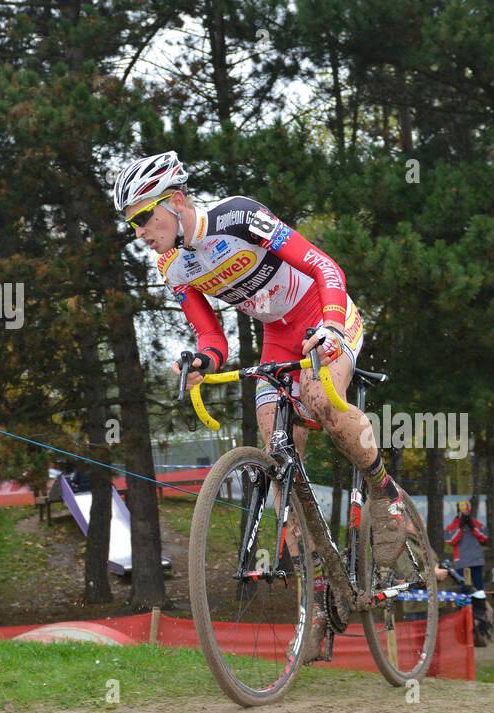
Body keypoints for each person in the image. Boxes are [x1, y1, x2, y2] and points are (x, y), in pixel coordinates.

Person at [113, 151, 412, 656]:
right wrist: (204, 360)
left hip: (322, 312)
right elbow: (212, 335)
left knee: (321, 400)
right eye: (131, 223)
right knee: (277, 455)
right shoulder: (172, 264)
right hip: (277, 337)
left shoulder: (238, 218)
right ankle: (319, 595)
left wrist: (334, 323)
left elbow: (323, 266)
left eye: (144, 216)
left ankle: (386, 493)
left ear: (177, 201)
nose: (140, 231)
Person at [445, 500, 489, 619]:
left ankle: (481, 611)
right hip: (461, 562)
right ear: (458, 511)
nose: (464, 513)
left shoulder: (476, 523)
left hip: (476, 561)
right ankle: (464, 612)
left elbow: (484, 537)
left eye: (467, 511)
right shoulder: (452, 526)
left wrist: (472, 526)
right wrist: (460, 527)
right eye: (462, 511)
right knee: (464, 588)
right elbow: (451, 541)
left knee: (479, 588)